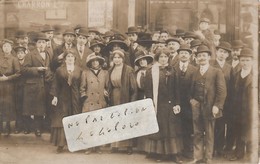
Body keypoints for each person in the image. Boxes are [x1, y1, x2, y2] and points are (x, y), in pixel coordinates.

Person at [144, 47, 183, 163]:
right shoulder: (151, 71)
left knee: (172, 128)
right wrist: (150, 103)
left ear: (168, 58)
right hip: (158, 103)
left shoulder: (173, 70)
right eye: (161, 56)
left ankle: (174, 153)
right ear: (157, 58)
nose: (163, 59)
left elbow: (177, 89)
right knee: (160, 127)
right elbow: (148, 89)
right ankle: (160, 153)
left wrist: (177, 103)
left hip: (170, 103)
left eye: (165, 56)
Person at [190, 45, 226, 163]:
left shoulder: (216, 72)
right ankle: (198, 157)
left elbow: (222, 91)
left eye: (204, 55)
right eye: (199, 56)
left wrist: (217, 105)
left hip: (210, 107)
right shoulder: (195, 72)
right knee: (197, 132)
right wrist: (192, 100)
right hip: (196, 107)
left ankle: (208, 158)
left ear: (209, 57)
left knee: (209, 133)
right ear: (196, 58)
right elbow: (191, 89)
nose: (201, 58)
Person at [50, 50, 82, 153]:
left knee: (74, 118)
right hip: (63, 97)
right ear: (65, 59)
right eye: (68, 56)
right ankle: (61, 144)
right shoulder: (59, 70)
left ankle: (75, 144)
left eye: (72, 56)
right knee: (62, 118)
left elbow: (82, 84)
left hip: (75, 98)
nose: (70, 58)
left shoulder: (79, 70)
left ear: (75, 58)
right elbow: (55, 84)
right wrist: (55, 96)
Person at [22, 33, 53, 137]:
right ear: (36, 44)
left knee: (46, 105)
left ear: (46, 44)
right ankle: (37, 128)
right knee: (37, 107)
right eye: (39, 42)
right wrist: (36, 69)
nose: (41, 45)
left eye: (43, 42)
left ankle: (46, 126)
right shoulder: (30, 54)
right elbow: (24, 69)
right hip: (34, 85)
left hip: (47, 83)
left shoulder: (49, 53)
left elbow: (51, 67)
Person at [108, 49, 137, 155]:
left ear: (123, 58)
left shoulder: (128, 70)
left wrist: (132, 102)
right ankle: (115, 145)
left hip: (125, 96)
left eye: (119, 57)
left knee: (126, 121)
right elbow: (109, 84)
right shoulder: (111, 69)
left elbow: (133, 88)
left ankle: (128, 145)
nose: (117, 60)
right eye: (115, 57)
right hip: (114, 96)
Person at [80, 53, 109, 154]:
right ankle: (88, 147)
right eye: (93, 61)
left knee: (99, 124)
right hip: (89, 102)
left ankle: (98, 146)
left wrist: (106, 91)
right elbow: (82, 88)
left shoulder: (105, 73)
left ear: (100, 62)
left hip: (100, 101)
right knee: (89, 125)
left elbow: (108, 86)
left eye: (97, 61)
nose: (95, 63)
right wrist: (84, 97)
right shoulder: (85, 73)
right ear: (90, 63)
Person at [229, 48, 253, 161]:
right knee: (238, 130)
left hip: (250, 109)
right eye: (243, 60)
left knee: (249, 131)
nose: (245, 63)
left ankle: (250, 154)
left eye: (247, 60)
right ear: (239, 61)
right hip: (237, 108)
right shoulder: (236, 74)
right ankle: (239, 153)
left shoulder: (255, 75)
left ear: (252, 61)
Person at [174, 44, 196, 159]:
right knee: (176, 127)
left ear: (190, 55)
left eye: (186, 53)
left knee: (188, 127)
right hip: (176, 103)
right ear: (178, 55)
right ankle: (177, 151)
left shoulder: (194, 69)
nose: (183, 55)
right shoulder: (172, 68)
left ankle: (188, 150)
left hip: (189, 104)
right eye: (181, 53)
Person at [210, 41, 232, 158]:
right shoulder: (211, 64)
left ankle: (219, 148)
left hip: (226, 102)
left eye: (225, 53)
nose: (222, 54)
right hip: (212, 100)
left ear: (228, 55)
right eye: (221, 52)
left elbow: (231, 85)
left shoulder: (229, 68)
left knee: (221, 125)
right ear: (216, 52)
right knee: (212, 125)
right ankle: (211, 148)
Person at [0, 39, 20, 136]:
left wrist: (7, 78)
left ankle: (7, 127)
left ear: (11, 48)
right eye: (4, 46)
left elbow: (18, 73)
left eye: (8, 46)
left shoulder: (14, 59)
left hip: (9, 85)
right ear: (2, 48)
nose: (6, 48)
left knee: (8, 106)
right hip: (0, 84)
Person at [14, 46, 27, 134]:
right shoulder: (14, 62)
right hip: (17, 87)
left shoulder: (27, 62)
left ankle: (26, 127)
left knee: (26, 107)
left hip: (26, 87)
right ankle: (18, 126)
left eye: (21, 53)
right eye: (18, 53)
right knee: (18, 107)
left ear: (25, 54)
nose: (20, 55)